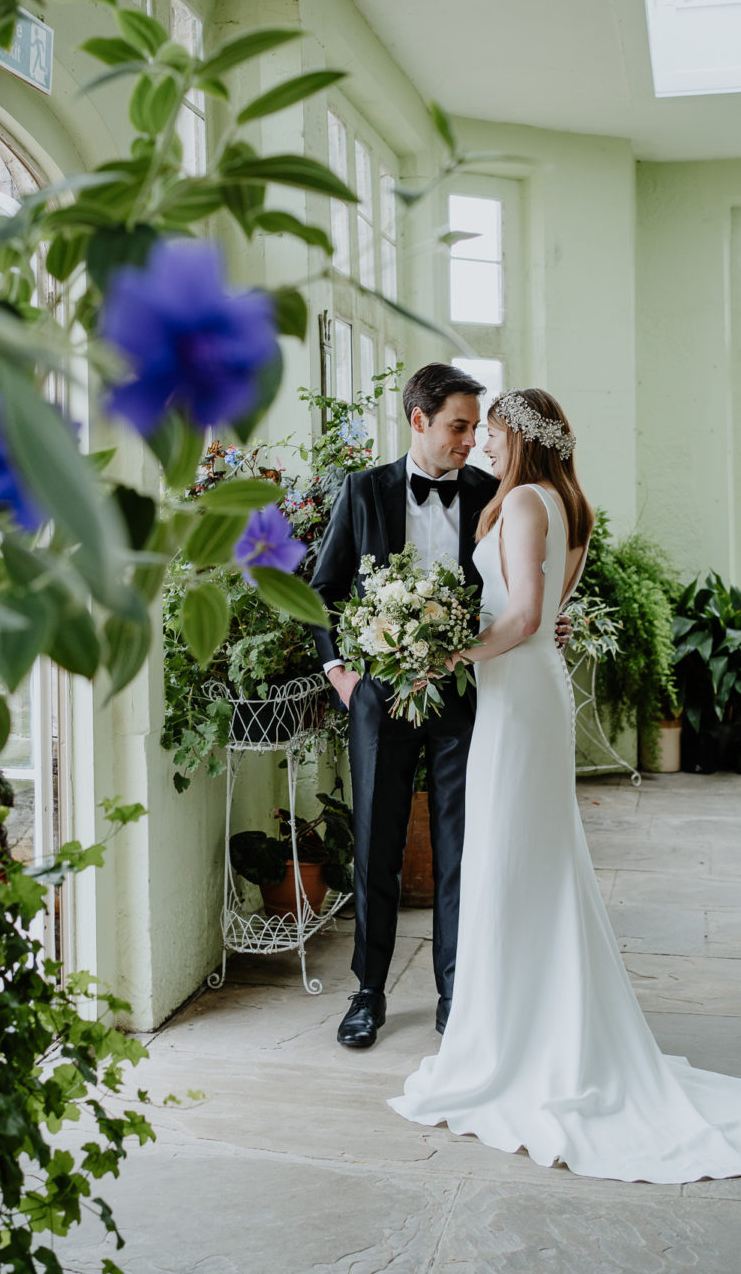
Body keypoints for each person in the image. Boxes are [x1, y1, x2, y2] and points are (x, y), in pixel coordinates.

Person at [388, 389, 741, 1183]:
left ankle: (522, 1046)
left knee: (512, 865)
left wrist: (447, 654)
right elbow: (548, 613)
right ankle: (522, 1025)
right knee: (525, 864)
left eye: (493, 434)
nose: (486, 447)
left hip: (520, 695)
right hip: (525, 693)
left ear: (521, 439)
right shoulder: (562, 500)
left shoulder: (528, 502)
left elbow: (528, 617)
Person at [310, 363, 496, 1048]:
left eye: (475, 427)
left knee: (457, 848)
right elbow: (322, 586)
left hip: (463, 695)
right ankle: (367, 993)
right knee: (375, 846)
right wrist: (340, 674)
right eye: (458, 426)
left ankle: (455, 992)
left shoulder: (490, 493)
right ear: (419, 421)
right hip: (378, 698)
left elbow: (513, 588)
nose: (470, 441)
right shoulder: (363, 492)